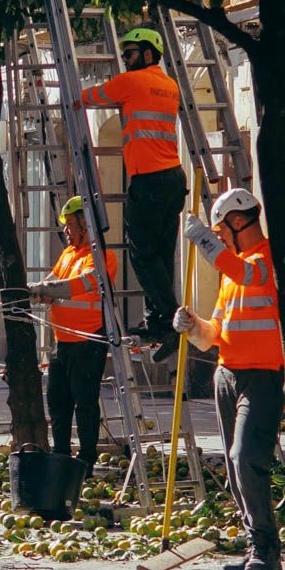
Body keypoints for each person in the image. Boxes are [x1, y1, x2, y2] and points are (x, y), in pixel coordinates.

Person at [175, 188, 285, 570]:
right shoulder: (231, 274)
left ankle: (267, 550)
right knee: (235, 464)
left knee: (245, 457)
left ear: (239, 222)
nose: (220, 239)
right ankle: (256, 544)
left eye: (222, 231)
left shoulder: (267, 261)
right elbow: (213, 335)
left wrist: (202, 239)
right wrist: (192, 326)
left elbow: (247, 274)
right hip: (226, 373)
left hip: (262, 376)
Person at [80, 25, 185, 358]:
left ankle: (171, 320)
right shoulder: (170, 85)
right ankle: (158, 321)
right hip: (173, 178)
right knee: (161, 255)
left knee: (141, 253)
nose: (125, 58)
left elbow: (89, 97)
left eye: (130, 53)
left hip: (149, 180)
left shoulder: (131, 82)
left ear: (149, 54)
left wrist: (71, 96)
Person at [28, 197, 118, 470]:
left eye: (69, 224)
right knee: (58, 402)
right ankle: (61, 455)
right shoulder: (68, 254)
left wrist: (47, 290)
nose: (66, 230)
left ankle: (86, 459)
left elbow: (81, 284)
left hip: (87, 341)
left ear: (85, 223)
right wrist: (37, 289)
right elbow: (53, 281)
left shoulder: (101, 257)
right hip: (62, 342)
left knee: (85, 403)